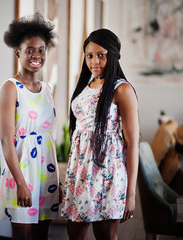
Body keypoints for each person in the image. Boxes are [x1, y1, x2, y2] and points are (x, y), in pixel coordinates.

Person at [61, 28, 139, 240]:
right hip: (81, 170)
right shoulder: (87, 84)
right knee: (74, 233)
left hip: (107, 173)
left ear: (112, 55)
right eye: (90, 56)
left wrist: (130, 195)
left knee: (105, 235)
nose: (95, 61)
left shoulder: (121, 89)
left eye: (101, 55)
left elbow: (133, 144)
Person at [0, 13, 61, 240]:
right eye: (30, 50)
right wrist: (20, 183)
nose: (36, 55)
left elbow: (48, 135)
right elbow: (6, 141)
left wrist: (57, 181)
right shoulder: (10, 88)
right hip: (21, 172)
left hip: (46, 172)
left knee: (42, 235)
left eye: (41, 49)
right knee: (23, 235)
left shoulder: (46, 90)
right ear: (18, 52)